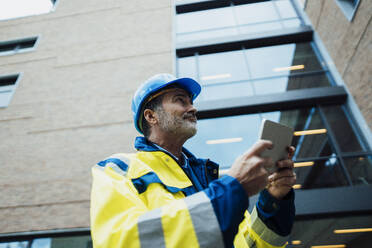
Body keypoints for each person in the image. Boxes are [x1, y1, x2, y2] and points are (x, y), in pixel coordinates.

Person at [90, 73, 296, 248]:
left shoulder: (210, 184)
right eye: (181, 100)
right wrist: (232, 190)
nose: (193, 108)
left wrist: (273, 201)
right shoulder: (118, 169)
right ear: (151, 116)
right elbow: (121, 241)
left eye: (191, 101)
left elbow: (247, 243)